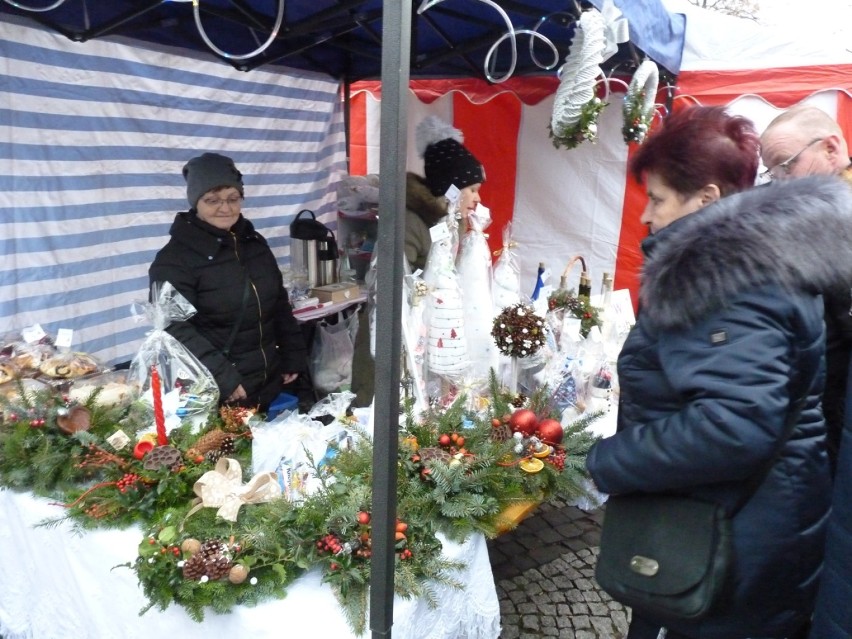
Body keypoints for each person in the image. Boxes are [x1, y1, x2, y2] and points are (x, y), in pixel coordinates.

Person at [585, 105, 852, 639]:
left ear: (705, 198)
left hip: (734, 541)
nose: (646, 216)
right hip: (760, 524)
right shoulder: (763, 261)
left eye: (657, 199)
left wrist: (606, 461)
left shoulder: (721, 279)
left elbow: (734, 425)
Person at [149, 152, 308, 413]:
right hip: (219, 393)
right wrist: (224, 378)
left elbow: (278, 302)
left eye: (233, 199)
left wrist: (292, 355)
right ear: (195, 202)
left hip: (267, 383)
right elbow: (174, 327)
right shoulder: (173, 260)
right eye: (212, 200)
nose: (225, 208)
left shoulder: (254, 243)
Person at [350, 116, 485, 406]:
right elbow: (390, 285)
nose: (476, 199)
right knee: (381, 407)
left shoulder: (450, 222)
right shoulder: (411, 222)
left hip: (424, 335)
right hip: (392, 334)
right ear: (451, 188)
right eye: (472, 189)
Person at [760, 106, 852, 475]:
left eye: (787, 164)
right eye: (772, 170)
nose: (779, 179)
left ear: (831, 148)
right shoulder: (803, 212)